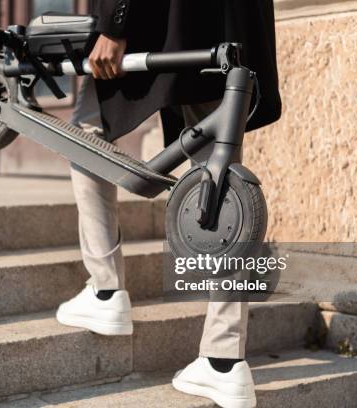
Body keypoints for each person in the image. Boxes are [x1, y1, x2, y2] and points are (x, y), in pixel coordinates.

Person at [55, 2, 281, 407]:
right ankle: (224, 359)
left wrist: (115, 20)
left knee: (88, 128)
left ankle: (106, 292)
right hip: (227, 21)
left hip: (163, 18)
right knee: (221, 180)